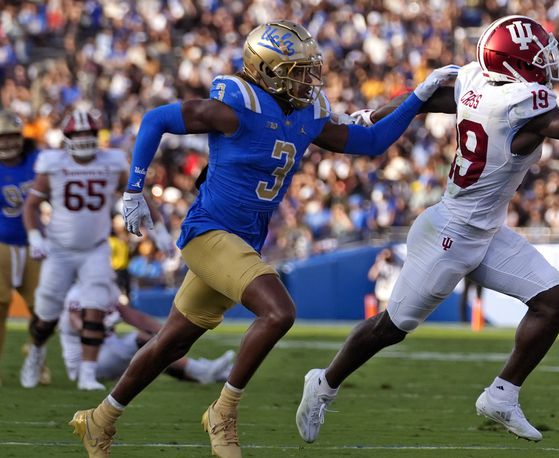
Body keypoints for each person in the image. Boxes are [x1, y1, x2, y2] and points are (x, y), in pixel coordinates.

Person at [296, 15, 559, 443]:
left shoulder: (475, 81)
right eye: (537, 56)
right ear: (513, 64)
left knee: (554, 302)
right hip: (450, 234)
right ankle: (324, 383)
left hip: (485, 231)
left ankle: (501, 395)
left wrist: (369, 116)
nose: (548, 62)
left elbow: (423, 100)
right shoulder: (520, 103)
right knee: (391, 328)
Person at [70, 20, 457, 458]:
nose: (307, 80)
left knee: (171, 343)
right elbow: (156, 119)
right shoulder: (237, 105)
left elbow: (369, 143)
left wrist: (418, 98)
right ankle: (223, 413)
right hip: (208, 232)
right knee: (278, 312)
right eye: (297, 71)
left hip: (242, 241)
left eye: (309, 70)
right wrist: (134, 187)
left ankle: (99, 420)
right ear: (267, 70)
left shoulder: (307, 113)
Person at [19, 110, 158, 392]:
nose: (83, 140)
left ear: (97, 137)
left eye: (88, 135)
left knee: (95, 307)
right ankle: (35, 352)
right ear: (68, 138)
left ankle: (87, 373)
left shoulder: (112, 161)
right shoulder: (53, 162)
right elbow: (31, 206)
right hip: (59, 249)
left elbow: (134, 193)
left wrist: (161, 230)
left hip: (95, 247)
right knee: (45, 317)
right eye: (78, 135)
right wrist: (35, 236)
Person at [59, 279, 234, 384]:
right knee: (142, 341)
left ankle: (210, 374)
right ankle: (202, 370)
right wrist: (101, 325)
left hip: (109, 352)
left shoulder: (107, 289)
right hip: (86, 363)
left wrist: (169, 333)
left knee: (154, 353)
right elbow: (77, 324)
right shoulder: (77, 293)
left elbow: (137, 318)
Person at [0, 110, 44, 385]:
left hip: (35, 244)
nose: (7, 143)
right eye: (2, 137)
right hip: (2, 244)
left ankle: (36, 360)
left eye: (12, 136)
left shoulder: (37, 160)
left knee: (42, 309)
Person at [367, 247, 401, 312]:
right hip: (383, 296)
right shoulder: (381, 264)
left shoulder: (397, 264)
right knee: (383, 316)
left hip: (393, 297)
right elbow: (372, 276)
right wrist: (378, 261)